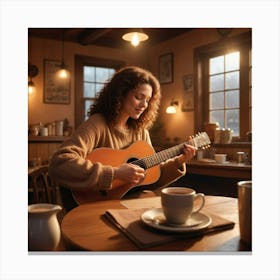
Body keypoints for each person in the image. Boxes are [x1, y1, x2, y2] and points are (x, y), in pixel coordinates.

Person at [49, 66, 196, 210]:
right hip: (93, 206)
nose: (144, 105)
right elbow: (60, 162)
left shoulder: (141, 132)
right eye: (139, 97)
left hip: (126, 205)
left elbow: (151, 177)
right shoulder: (98, 123)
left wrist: (179, 161)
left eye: (148, 100)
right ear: (120, 94)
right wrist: (115, 173)